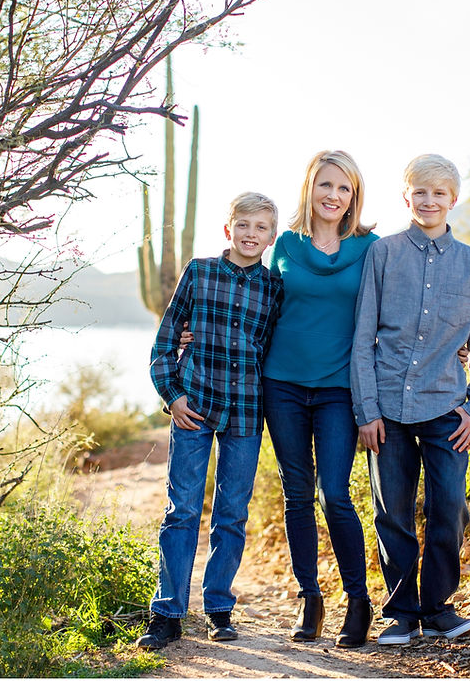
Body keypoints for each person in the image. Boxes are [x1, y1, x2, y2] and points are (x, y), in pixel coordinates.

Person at [350, 154, 470, 645]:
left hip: (446, 411)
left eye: (439, 193)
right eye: (420, 192)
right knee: (392, 511)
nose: (429, 201)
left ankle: (437, 608)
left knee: (449, 507)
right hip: (387, 410)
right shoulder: (383, 254)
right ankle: (402, 614)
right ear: (406, 196)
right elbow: (362, 338)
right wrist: (366, 411)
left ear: (453, 199)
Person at [137, 192, 284, 650]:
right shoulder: (199, 273)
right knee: (181, 509)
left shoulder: (274, 288)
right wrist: (173, 396)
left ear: (271, 237)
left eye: (260, 228)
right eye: (243, 225)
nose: (250, 234)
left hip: (244, 410)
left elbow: (276, 348)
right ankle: (168, 614)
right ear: (228, 229)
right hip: (194, 407)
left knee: (232, 513)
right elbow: (164, 343)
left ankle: (219, 607)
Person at [261, 150, 378, 648]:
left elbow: (389, 312)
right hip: (281, 384)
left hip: (338, 388)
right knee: (296, 495)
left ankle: (359, 600)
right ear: (310, 188)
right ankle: (310, 597)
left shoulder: (370, 248)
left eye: (344, 188)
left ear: (354, 196)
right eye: (325, 185)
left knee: (336, 494)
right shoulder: (284, 244)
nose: (333, 196)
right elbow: (262, 307)